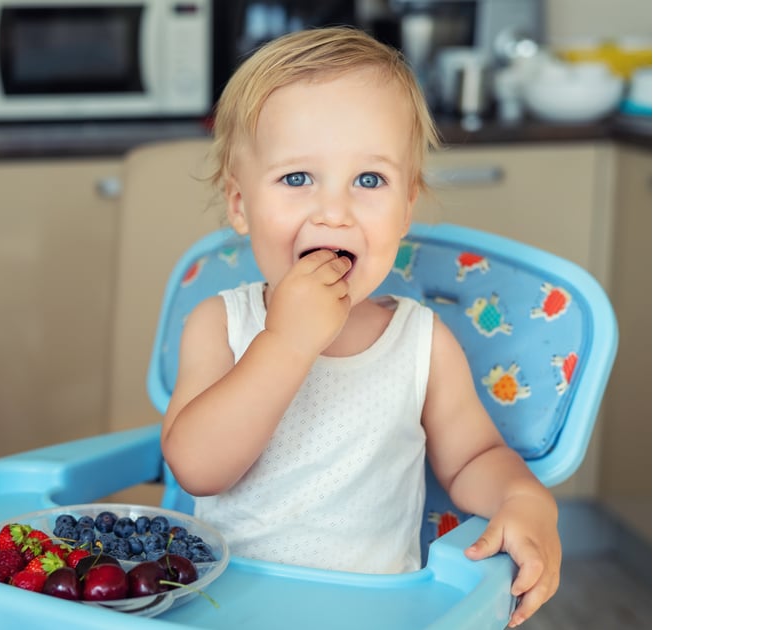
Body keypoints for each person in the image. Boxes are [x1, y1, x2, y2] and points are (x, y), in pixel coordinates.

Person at [159, 26, 560, 628]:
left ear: (405, 207)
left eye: (369, 180)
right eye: (297, 178)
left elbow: (474, 457)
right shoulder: (221, 324)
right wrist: (286, 343)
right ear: (240, 205)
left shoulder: (422, 343)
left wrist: (525, 500)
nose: (334, 212)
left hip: (377, 615)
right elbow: (197, 467)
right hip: (227, 611)